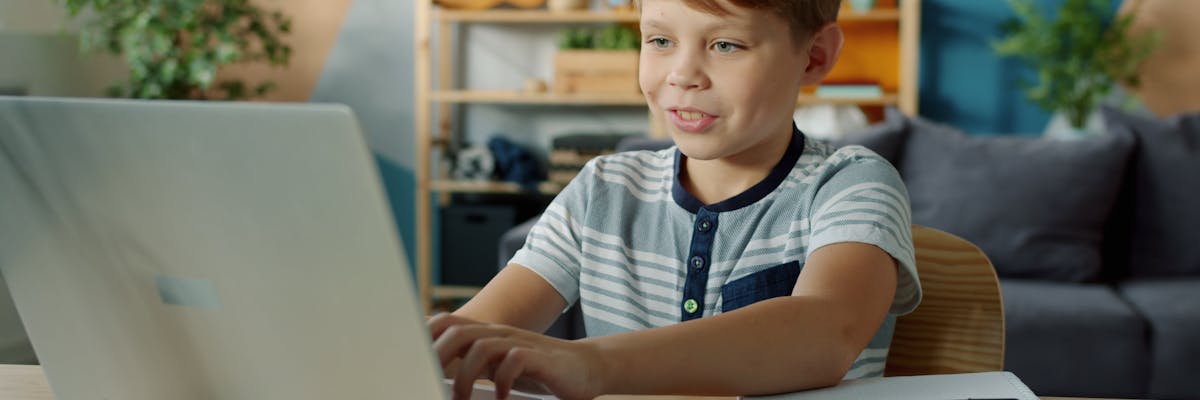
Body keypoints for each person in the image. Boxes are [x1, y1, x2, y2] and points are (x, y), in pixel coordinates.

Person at [428, 1, 921, 399]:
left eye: (725, 44)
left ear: (814, 56)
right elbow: (473, 335)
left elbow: (824, 335)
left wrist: (592, 364)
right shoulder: (602, 188)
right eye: (660, 40)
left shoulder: (852, 183)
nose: (682, 75)